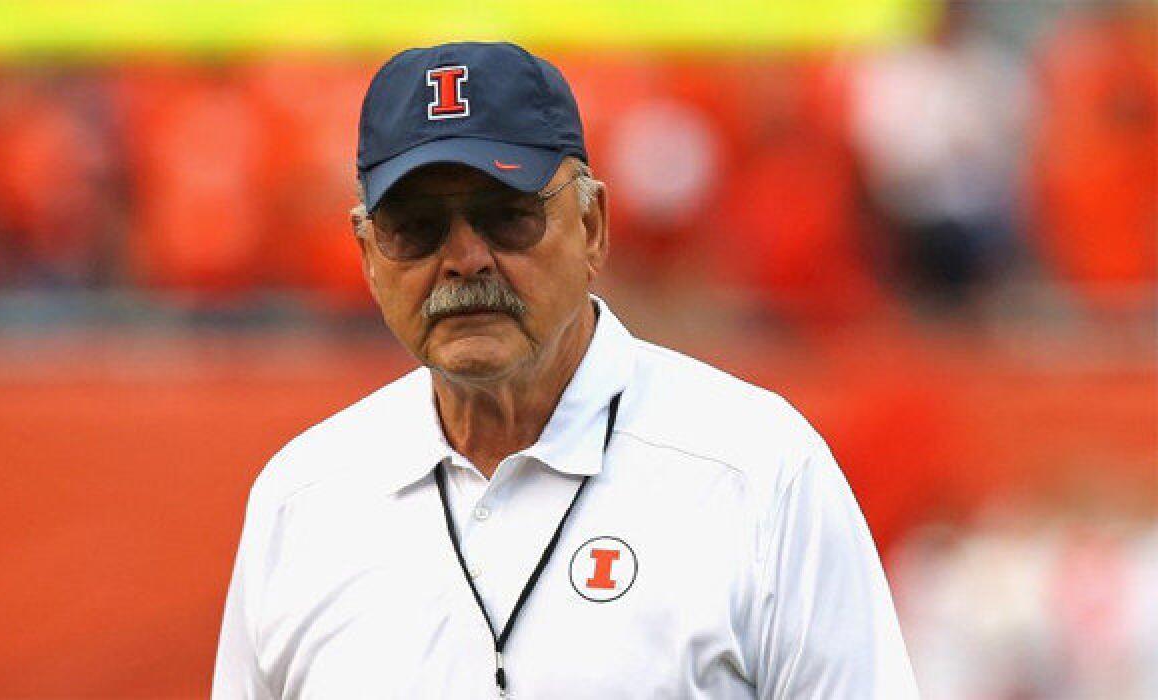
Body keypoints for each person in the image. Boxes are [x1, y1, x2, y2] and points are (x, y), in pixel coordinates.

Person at [212, 41, 918, 699]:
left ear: (592, 227)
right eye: (416, 228)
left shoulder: (755, 470)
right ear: (367, 254)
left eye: (506, 215)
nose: (465, 259)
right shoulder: (303, 500)